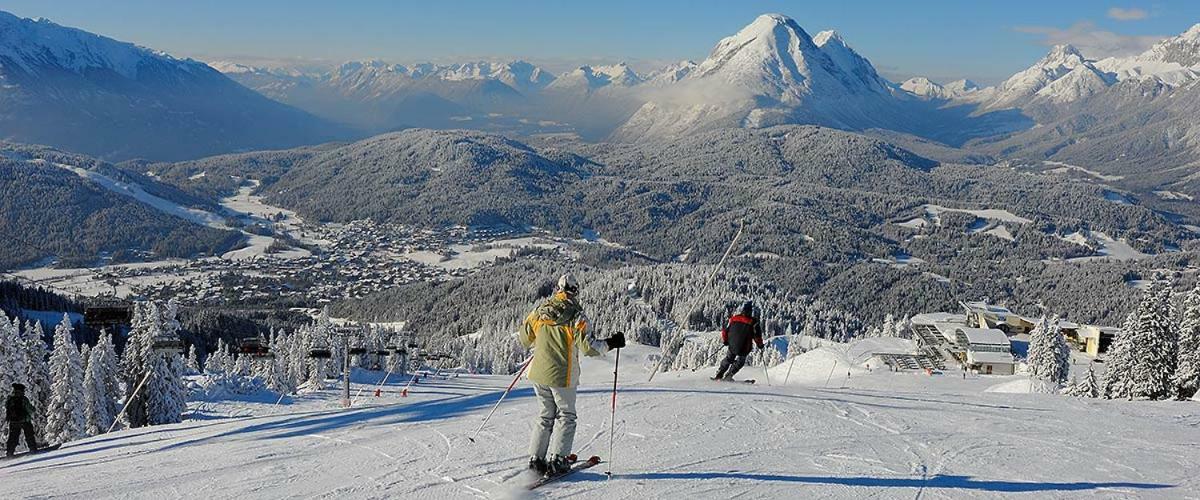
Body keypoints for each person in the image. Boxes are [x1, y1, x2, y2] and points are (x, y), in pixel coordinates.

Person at [520, 274, 624, 477]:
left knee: (545, 415)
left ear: (557, 289)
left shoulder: (540, 311)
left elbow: (524, 338)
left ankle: (536, 459)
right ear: (575, 291)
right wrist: (612, 342)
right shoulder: (577, 316)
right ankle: (558, 461)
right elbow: (589, 348)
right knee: (566, 416)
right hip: (562, 376)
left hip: (538, 373)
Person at [713, 301, 764, 381]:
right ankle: (729, 375)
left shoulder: (734, 318)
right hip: (744, 347)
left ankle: (720, 373)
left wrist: (726, 341)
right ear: (750, 311)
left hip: (732, 345)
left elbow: (725, 331)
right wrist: (760, 345)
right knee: (740, 362)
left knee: (728, 358)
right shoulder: (753, 322)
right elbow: (757, 336)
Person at [5, 383, 39, 457]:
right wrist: (33, 409)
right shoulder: (23, 399)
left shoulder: (10, 399)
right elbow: (30, 409)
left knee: (13, 437)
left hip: (13, 421)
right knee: (29, 434)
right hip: (24, 420)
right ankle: (33, 449)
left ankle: (9, 452)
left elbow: (7, 408)